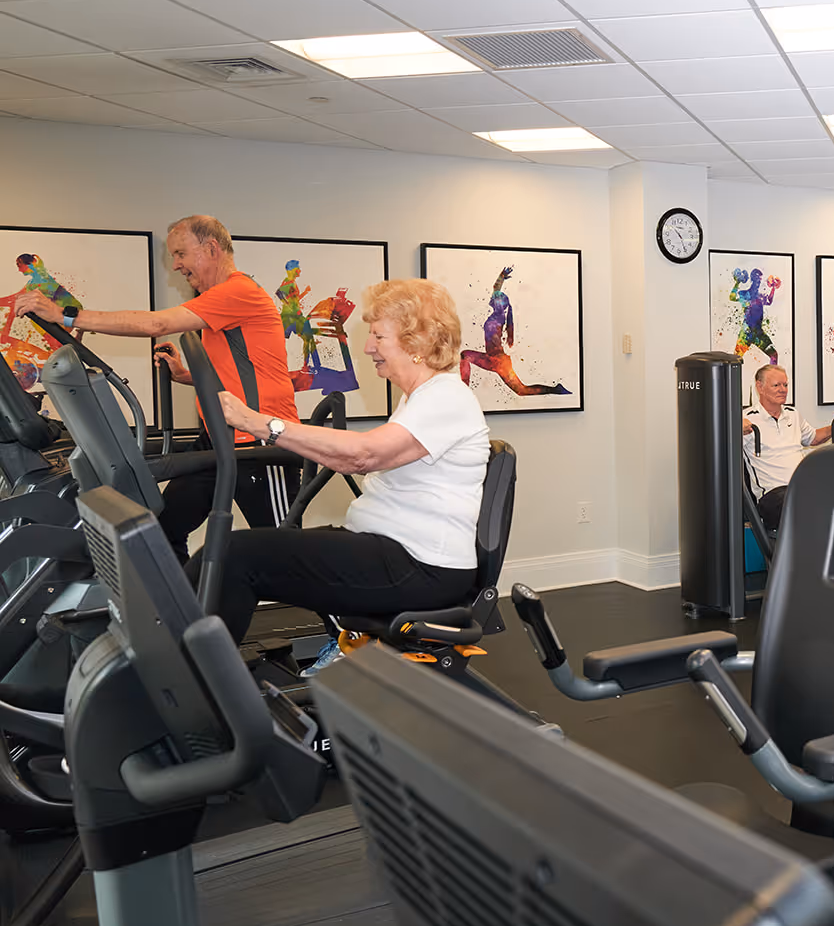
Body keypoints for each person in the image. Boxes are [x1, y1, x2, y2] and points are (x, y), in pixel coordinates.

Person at [204, 278, 490, 676]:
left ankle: (199, 686)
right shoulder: (420, 398)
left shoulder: (447, 397)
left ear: (419, 341)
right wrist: (273, 432)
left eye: (378, 336)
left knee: (237, 557)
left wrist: (260, 423)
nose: (368, 347)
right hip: (395, 552)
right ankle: (182, 661)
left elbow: (362, 455)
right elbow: (346, 458)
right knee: (227, 552)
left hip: (421, 566)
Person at [14, 215, 302, 561]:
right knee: (165, 530)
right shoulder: (218, 302)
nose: (176, 265)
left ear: (211, 248)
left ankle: (325, 597)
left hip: (261, 439)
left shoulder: (239, 291)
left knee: (285, 552)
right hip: (217, 438)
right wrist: (186, 375)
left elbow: (157, 323)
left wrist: (65, 314)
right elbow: (245, 370)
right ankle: (185, 598)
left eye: (180, 253)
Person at [741, 364, 834, 532]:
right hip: (772, 496)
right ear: (760, 387)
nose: (783, 389)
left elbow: (813, 438)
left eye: (785, 385)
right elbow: (723, 448)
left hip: (801, 487)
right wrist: (734, 430)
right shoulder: (745, 420)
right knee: (803, 504)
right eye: (776, 385)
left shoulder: (793, 414)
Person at [460, 265, 570, 396]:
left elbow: (496, 290)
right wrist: (501, 277)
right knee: (465, 355)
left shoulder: (499, 317)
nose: (491, 299)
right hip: (490, 358)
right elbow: (496, 288)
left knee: (521, 390)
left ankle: (555, 389)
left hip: (498, 361)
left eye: (495, 299)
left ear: (499, 304)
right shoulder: (496, 315)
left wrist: (500, 279)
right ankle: (463, 391)